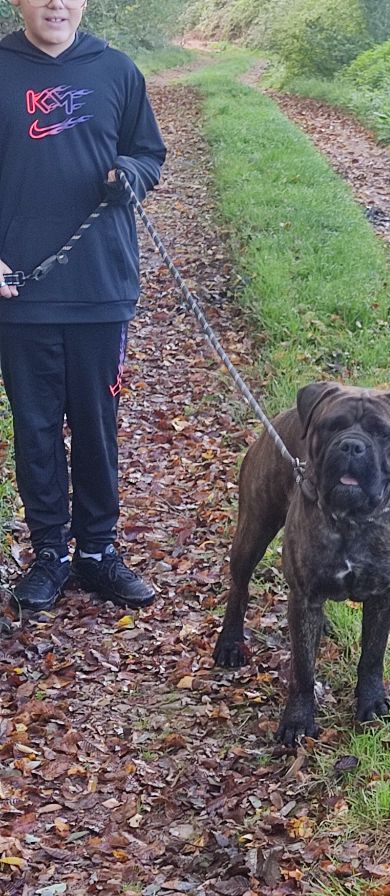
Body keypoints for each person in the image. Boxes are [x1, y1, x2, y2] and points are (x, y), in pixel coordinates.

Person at [0, 0, 166, 612]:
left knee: (96, 428)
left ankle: (98, 551)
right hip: (19, 294)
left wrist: (131, 172)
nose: (55, 3)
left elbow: (151, 153)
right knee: (36, 431)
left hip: (101, 289)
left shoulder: (117, 71)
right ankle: (49, 553)